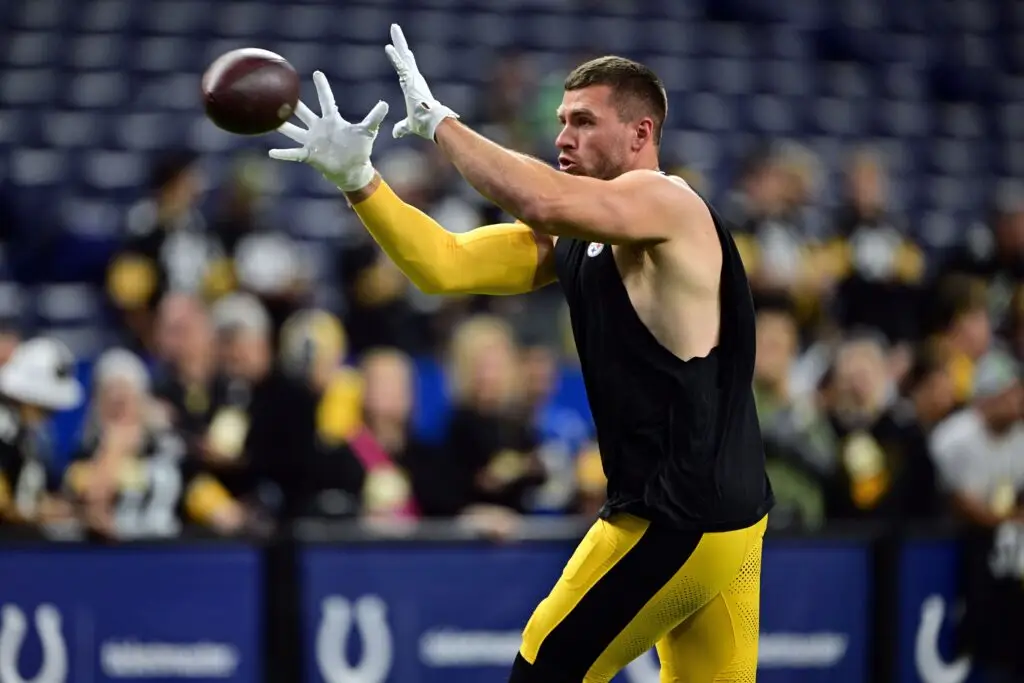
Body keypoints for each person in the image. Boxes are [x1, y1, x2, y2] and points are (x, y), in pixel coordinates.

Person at [269, 24, 774, 683]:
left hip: (673, 517)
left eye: (584, 121)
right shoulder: (575, 233)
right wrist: (362, 182)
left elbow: (538, 196)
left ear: (640, 134)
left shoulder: (669, 202)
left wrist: (441, 123)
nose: (562, 136)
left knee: (544, 669)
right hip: (724, 520)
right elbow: (445, 266)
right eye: (563, 119)